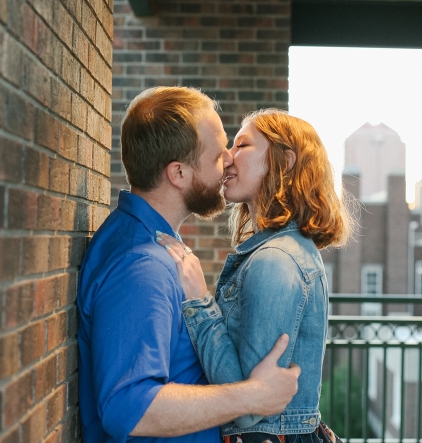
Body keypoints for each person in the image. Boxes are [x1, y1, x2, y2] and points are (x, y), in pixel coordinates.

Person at [77, 87, 301, 443]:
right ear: (178, 173)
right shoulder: (140, 267)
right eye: (217, 155)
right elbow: (127, 408)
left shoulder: (152, 242)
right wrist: (253, 395)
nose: (229, 160)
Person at [157, 109, 352, 443]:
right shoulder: (282, 251)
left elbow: (248, 406)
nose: (227, 158)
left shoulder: (275, 261)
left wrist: (199, 301)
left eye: (242, 145)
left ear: (284, 162)